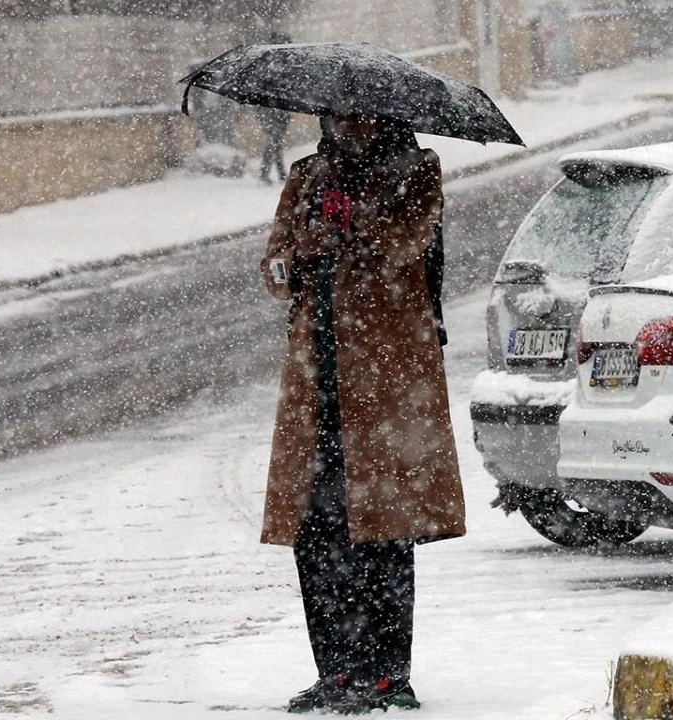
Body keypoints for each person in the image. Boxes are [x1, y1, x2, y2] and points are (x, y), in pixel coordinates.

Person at [258, 112, 466, 715]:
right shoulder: (305, 175)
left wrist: (351, 229)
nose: (346, 125)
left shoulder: (415, 171)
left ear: (385, 117)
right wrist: (301, 253)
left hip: (386, 379)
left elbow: (406, 246)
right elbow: (273, 270)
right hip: (316, 380)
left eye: (359, 115)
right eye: (336, 114)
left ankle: (385, 674)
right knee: (315, 531)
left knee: (382, 529)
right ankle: (335, 672)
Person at [256, 33, 293, 183]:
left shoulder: (275, 63)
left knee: (275, 142)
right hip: (273, 111)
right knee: (274, 142)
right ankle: (269, 174)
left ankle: (278, 174)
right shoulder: (273, 64)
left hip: (278, 112)